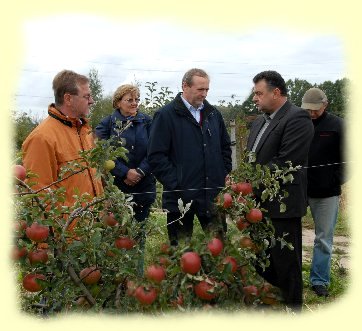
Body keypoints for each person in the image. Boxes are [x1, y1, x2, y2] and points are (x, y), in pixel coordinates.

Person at [246, 70, 314, 311]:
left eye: (259, 93)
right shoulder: (258, 123)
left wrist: (248, 180)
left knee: (286, 262)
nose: (254, 98)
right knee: (262, 259)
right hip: (258, 204)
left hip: (283, 204)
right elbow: (251, 159)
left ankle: (293, 309)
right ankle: (269, 305)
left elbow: (287, 162)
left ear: (276, 92)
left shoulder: (297, 119)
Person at [147, 68, 232, 246]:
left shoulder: (213, 115)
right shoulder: (166, 116)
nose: (204, 94)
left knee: (219, 250)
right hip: (179, 200)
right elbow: (156, 156)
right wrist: (177, 183)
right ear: (185, 86)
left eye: (207, 89)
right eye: (200, 89)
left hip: (212, 196)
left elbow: (225, 147)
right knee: (181, 255)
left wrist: (222, 173)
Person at [22, 69, 103, 231]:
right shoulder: (42, 138)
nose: (92, 101)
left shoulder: (84, 131)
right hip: (67, 237)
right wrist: (51, 243)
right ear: (68, 98)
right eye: (86, 96)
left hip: (91, 232)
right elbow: (38, 194)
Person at [95, 84, 156, 275]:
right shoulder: (106, 124)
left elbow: (156, 150)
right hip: (117, 188)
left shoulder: (147, 121)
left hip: (143, 186)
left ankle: (135, 277)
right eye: (129, 99)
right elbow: (101, 154)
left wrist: (140, 171)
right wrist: (124, 172)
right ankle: (114, 276)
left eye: (137, 99)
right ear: (118, 102)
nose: (134, 103)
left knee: (139, 233)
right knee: (115, 234)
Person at [301, 87, 346, 297]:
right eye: (307, 109)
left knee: (323, 239)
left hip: (327, 193)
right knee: (290, 234)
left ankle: (319, 280)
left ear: (325, 105)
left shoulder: (338, 126)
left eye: (315, 110)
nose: (311, 113)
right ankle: (291, 276)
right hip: (300, 189)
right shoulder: (299, 123)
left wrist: (336, 180)